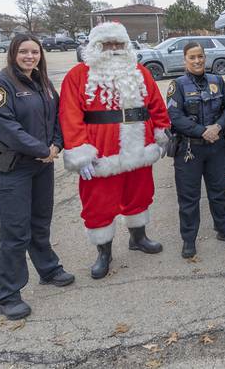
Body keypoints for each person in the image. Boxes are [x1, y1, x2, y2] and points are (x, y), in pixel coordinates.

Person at [59, 22, 171, 279]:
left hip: (139, 147)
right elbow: (70, 115)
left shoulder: (140, 71)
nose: (113, 50)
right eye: (107, 45)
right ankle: (104, 253)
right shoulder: (78, 76)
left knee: (140, 194)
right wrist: (78, 150)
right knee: (99, 203)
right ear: (95, 47)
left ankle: (138, 238)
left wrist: (162, 131)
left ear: (126, 46)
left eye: (118, 44)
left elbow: (156, 104)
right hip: (101, 153)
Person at [0, 34, 74, 320]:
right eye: (24, 52)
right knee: (14, 232)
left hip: (41, 165)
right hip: (10, 170)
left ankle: (48, 269)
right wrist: (42, 149)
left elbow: (57, 117)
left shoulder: (43, 82)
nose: (30, 56)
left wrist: (57, 144)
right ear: (13, 53)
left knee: (40, 221)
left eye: (34, 52)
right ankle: (8, 295)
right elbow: (7, 129)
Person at [168, 41, 225, 259]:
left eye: (200, 56)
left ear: (205, 58)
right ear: (185, 60)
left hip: (216, 147)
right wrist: (201, 131)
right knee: (189, 198)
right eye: (192, 57)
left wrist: (218, 127)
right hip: (190, 150)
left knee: (218, 193)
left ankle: (223, 229)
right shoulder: (177, 85)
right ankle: (189, 239)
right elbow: (175, 116)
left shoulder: (217, 81)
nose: (197, 61)